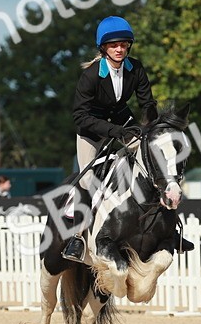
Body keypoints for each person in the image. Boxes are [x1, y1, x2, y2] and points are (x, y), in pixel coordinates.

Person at [62, 15, 158, 262]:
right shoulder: (92, 75)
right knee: (87, 181)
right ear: (103, 48)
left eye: (124, 44)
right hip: (92, 130)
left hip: (123, 123)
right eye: (114, 45)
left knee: (155, 159)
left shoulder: (135, 68)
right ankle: (78, 238)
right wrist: (115, 132)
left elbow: (147, 104)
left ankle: (167, 223)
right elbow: (80, 116)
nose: (119, 49)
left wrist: (152, 128)